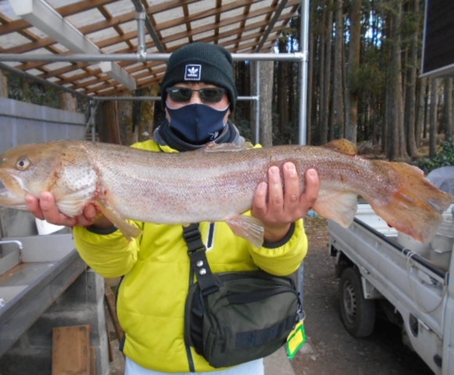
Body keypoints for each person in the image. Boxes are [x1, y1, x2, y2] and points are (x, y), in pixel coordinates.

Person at [26, 43, 320, 375]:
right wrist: (100, 226)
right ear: (165, 101)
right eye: (181, 92)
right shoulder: (127, 161)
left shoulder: (268, 169)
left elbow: (284, 268)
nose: (195, 104)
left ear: (229, 105)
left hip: (237, 353)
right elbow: (114, 267)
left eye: (210, 94)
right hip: (151, 360)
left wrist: (278, 231)